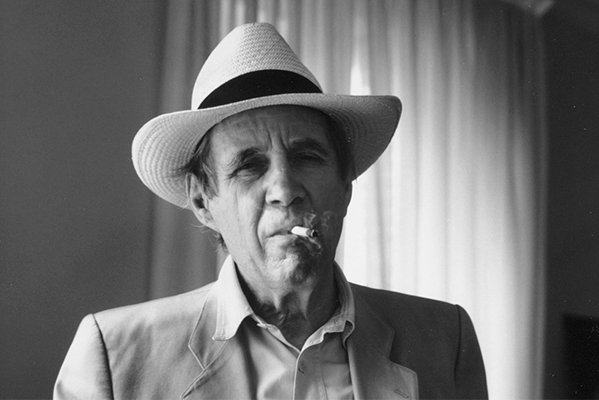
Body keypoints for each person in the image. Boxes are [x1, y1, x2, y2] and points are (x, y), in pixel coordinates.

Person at [54, 22, 487, 400]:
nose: (284, 190)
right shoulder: (115, 356)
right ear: (203, 203)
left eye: (307, 157)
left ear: (345, 186)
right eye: (249, 165)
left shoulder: (445, 339)